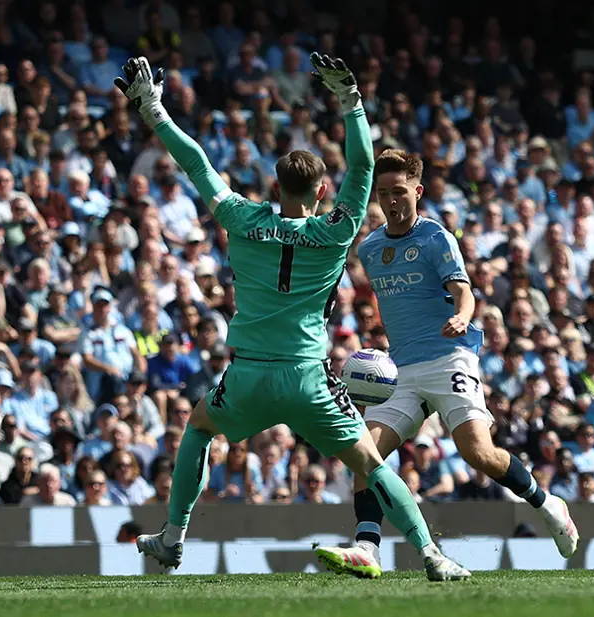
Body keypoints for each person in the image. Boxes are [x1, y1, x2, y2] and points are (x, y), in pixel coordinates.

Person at [118, 54, 469, 580]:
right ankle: (431, 556)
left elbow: (196, 164)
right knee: (371, 464)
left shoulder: (240, 218)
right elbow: (365, 167)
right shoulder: (335, 232)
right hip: (309, 377)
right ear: (321, 192)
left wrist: (155, 111)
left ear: (275, 187)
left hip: (250, 373)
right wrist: (350, 102)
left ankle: (173, 537)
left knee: (198, 427)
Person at [316, 147, 578, 577]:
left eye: (399, 191)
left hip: (448, 357)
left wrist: (462, 316)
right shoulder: (371, 248)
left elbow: (465, 292)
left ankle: (547, 503)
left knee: (476, 451)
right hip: (399, 369)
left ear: (417, 191)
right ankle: (367, 546)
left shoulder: (437, 238)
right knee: (363, 450)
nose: (391, 201)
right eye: (383, 193)